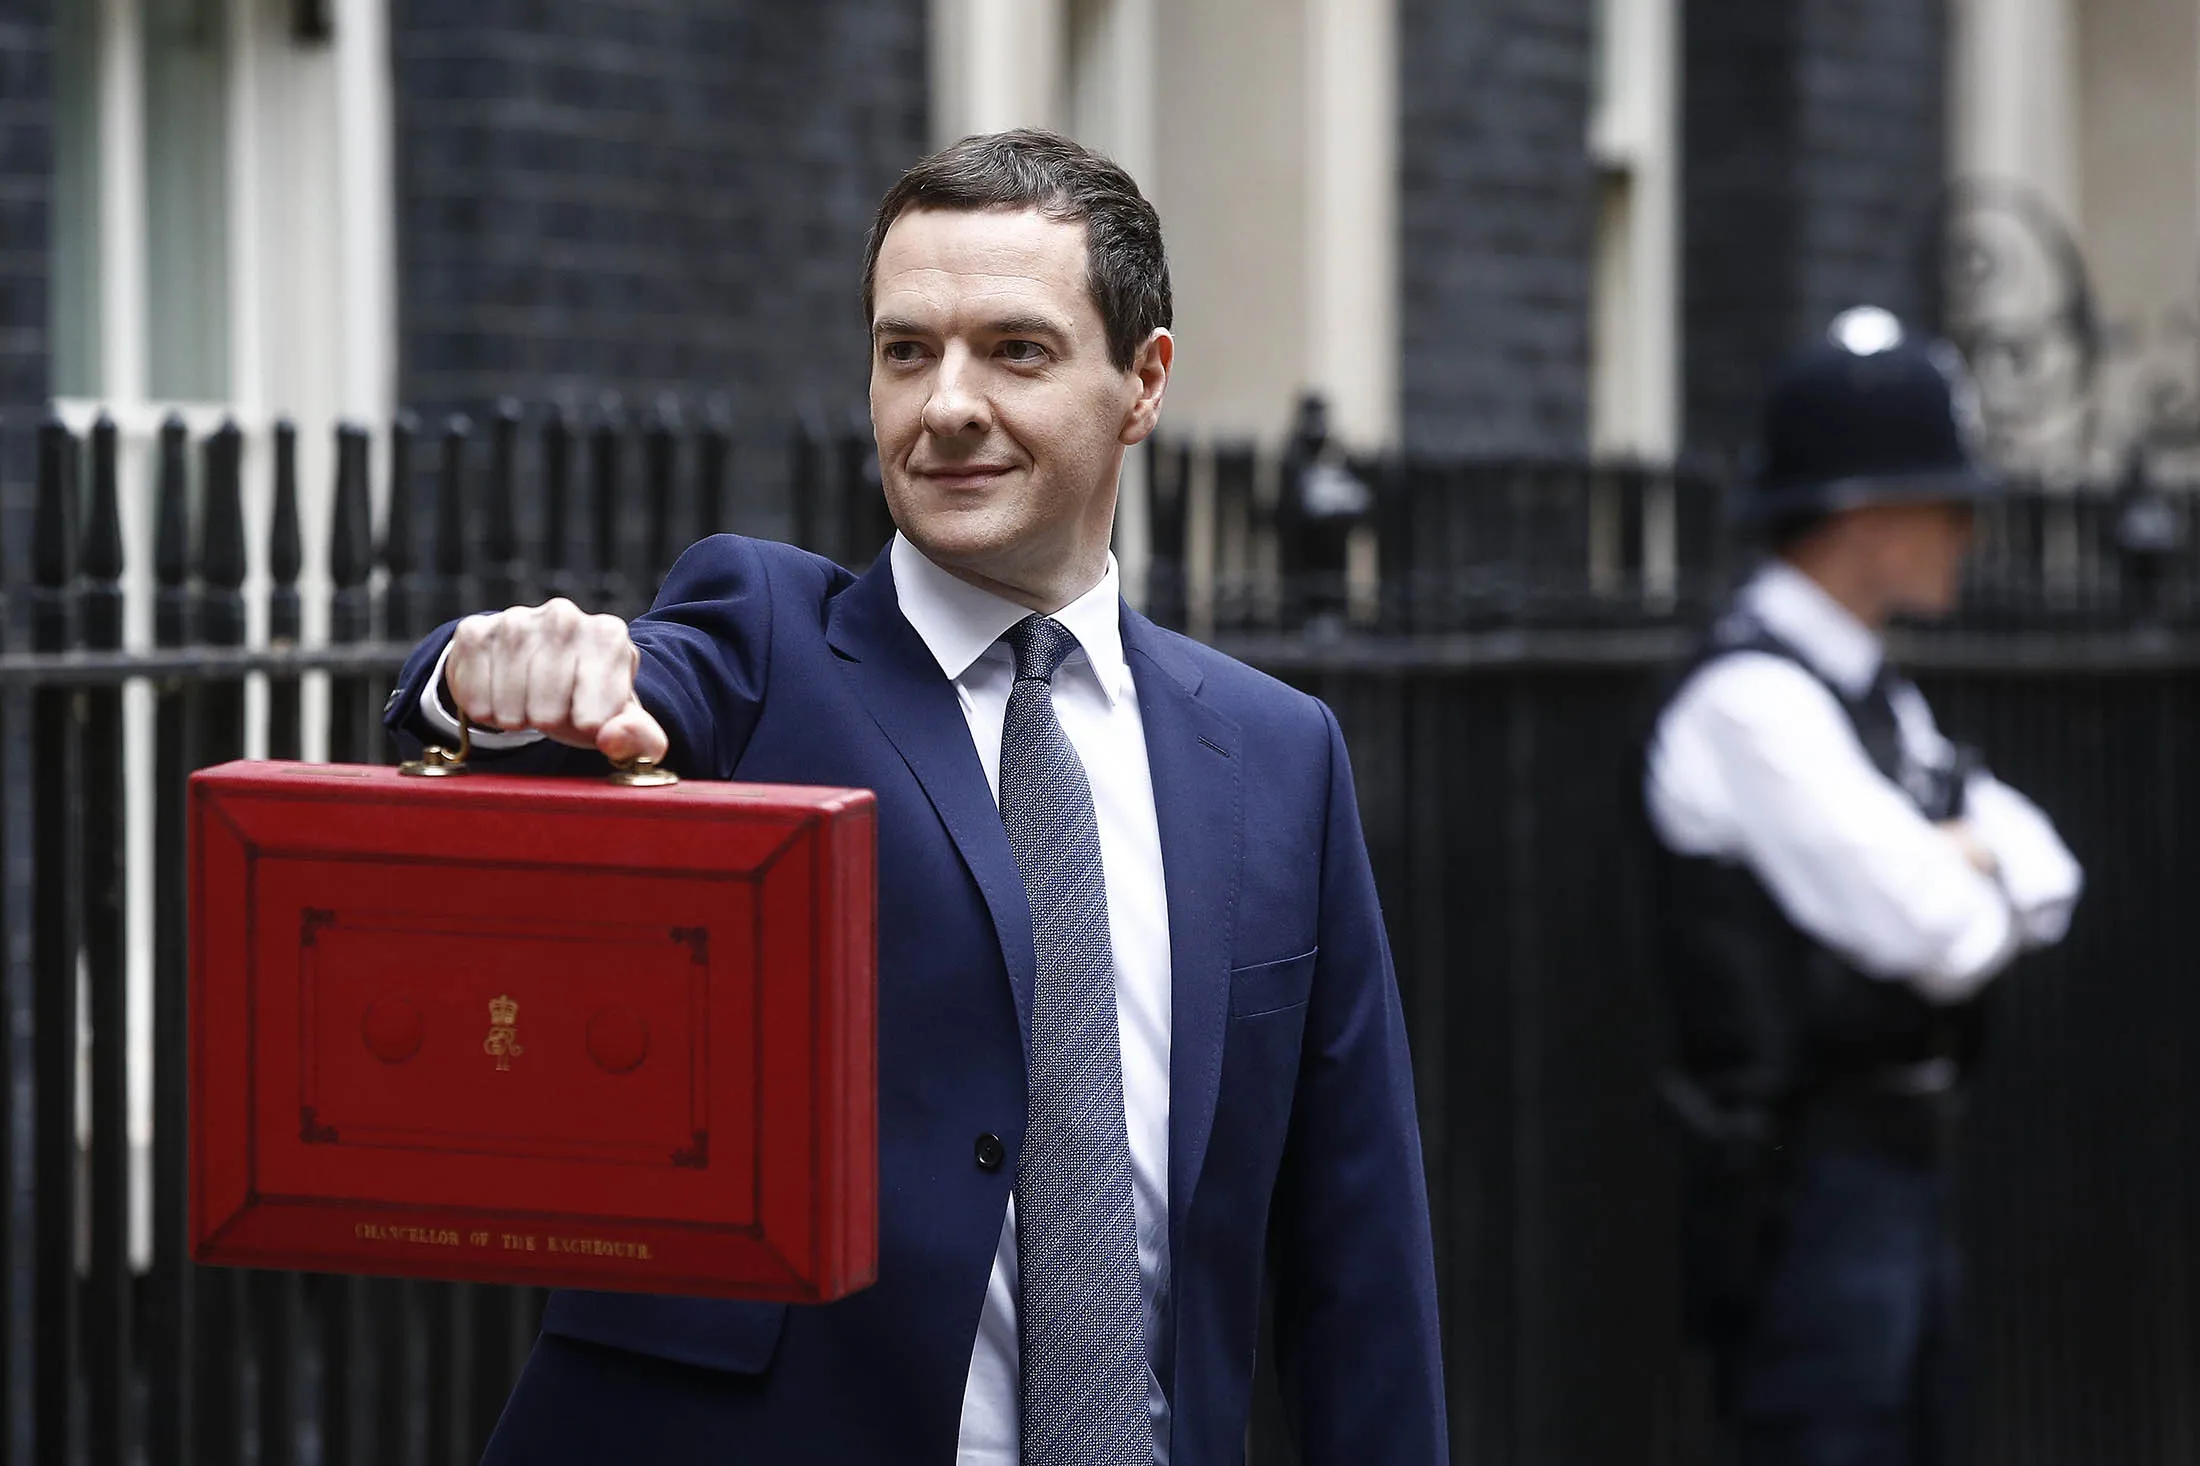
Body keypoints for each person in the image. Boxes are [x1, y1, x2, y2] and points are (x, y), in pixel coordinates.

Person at [384, 129, 1446, 1466]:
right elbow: (602, 708)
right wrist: (501, 679)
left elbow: (1358, 1260)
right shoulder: (764, 640)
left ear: (1143, 380)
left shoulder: (1279, 754)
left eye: (1015, 349)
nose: (945, 401)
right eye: (906, 350)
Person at [1642, 307, 2084, 1466]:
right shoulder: (1755, 703)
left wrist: (1966, 858)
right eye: (1945, 502)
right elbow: (1940, 928)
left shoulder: (1869, 695)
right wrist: (1960, 857)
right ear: (1863, 513)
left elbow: (2046, 869)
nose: (1965, 530)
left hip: (1901, 1167)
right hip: (1805, 1186)